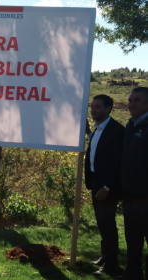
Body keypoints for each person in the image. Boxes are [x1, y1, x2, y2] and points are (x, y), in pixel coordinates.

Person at [84, 94, 124, 276]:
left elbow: (118, 163)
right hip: (96, 182)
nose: (93, 110)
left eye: (98, 107)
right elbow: (99, 147)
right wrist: (88, 133)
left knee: (107, 224)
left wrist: (107, 187)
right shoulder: (99, 129)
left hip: (107, 187)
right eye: (92, 106)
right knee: (101, 222)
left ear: (109, 109)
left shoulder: (117, 130)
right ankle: (104, 256)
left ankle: (111, 265)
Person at [118, 87, 148, 280]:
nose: (131, 104)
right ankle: (133, 272)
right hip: (130, 194)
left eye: (136, 100)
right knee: (133, 237)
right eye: (130, 100)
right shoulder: (131, 125)